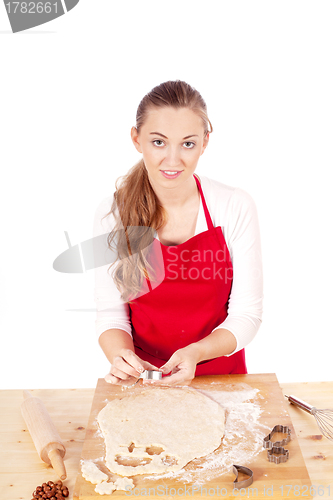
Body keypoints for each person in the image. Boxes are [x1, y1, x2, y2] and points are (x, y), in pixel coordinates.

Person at [93, 80, 263, 386]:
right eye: (158, 142)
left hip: (222, 380)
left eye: (187, 143)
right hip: (144, 381)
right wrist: (122, 357)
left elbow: (247, 315)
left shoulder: (234, 206)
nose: (172, 160)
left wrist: (196, 353)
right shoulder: (113, 215)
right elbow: (111, 315)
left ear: (204, 142)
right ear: (137, 139)